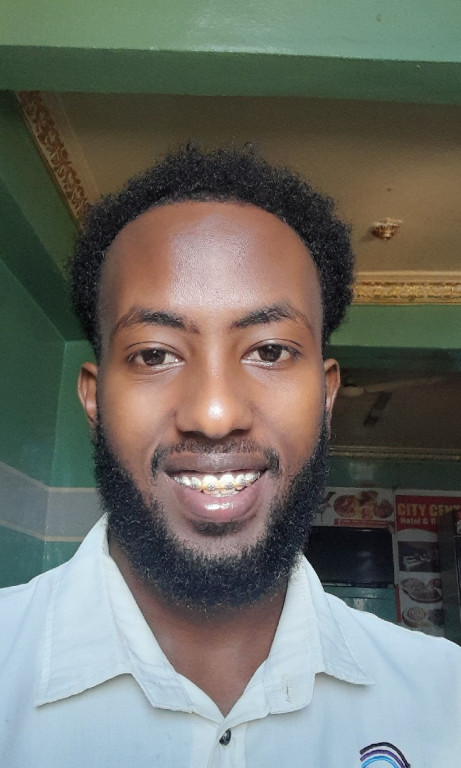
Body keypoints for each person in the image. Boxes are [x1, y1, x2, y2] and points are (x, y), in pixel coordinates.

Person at [0, 146, 459, 766]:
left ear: (326, 396)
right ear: (95, 398)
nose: (214, 414)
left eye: (269, 351)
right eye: (154, 354)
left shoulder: (444, 701)